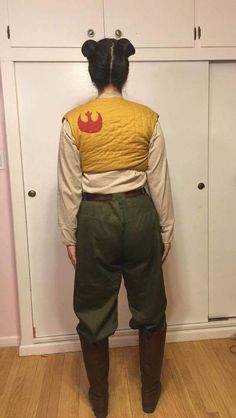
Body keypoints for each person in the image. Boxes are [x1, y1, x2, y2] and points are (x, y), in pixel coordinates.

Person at [57, 38, 174, 418]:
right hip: (141, 214)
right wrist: (166, 230)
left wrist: (69, 236)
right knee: (151, 307)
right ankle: (150, 395)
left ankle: (101, 400)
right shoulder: (148, 117)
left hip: (95, 218)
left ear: (93, 74)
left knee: (93, 310)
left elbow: (68, 186)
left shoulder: (73, 121)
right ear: (125, 72)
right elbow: (159, 182)